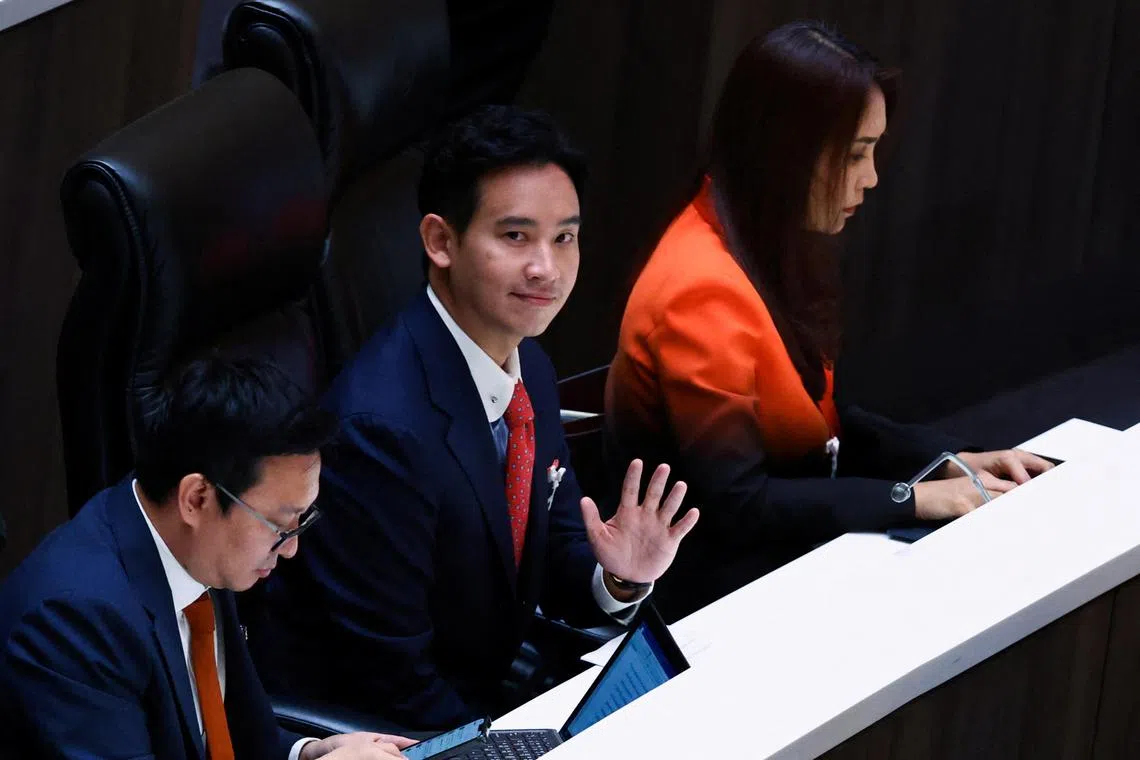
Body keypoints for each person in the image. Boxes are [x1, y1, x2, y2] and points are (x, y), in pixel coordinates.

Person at [249, 105, 699, 730]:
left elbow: (554, 553)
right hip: (381, 727)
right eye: (515, 237)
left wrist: (618, 579)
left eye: (564, 237)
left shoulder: (528, 368)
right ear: (440, 241)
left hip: (484, 690)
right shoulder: (382, 430)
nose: (546, 267)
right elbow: (389, 678)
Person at [604, 21, 1054, 620]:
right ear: (786, 150)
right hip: (719, 601)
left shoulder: (757, 236)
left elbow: (819, 426)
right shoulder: (699, 289)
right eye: (855, 154)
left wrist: (951, 460)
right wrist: (914, 499)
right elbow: (742, 505)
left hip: (786, 560)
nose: (870, 179)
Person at [0, 357, 412, 759]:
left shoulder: (197, 549)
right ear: (196, 499)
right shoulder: (72, 625)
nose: (292, 547)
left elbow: (235, 737)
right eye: (280, 524)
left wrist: (306, 753)